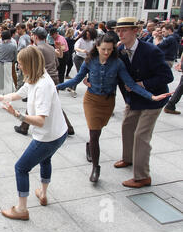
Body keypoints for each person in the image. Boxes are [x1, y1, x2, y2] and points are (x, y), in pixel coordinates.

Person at [57, 34, 170, 182]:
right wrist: (56, 87)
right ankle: (95, 168)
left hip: (108, 102)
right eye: (103, 49)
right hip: (91, 100)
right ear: (96, 47)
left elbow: (131, 84)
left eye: (109, 50)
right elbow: (76, 79)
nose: (106, 52)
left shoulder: (117, 63)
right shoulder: (89, 61)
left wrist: (151, 96)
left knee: (98, 130)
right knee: (94, 132)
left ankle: (90, 146)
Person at [0, 46, 68, 221]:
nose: (19, 67)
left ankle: (21, 209)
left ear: (29, 64)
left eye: (20, 64)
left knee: (21, 168)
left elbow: (40, 120)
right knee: (46, 159)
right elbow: (22, 92)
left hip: (48, 137)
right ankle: (43, 194)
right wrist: (1, 98)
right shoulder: (37, 76)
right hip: (58, 132)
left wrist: (17, 115)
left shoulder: (43, 85)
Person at [114, 17, 174, 188]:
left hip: (153, 99)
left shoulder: (151, 50)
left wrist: (143, 84)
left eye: (124, 30)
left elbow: (167, 76)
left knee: (141, 135)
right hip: (134, 99)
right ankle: (128, 158)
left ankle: (142, 177)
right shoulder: (120, 50)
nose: (120, 33)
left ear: (135, 31)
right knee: (127, 126)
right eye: (119, 30)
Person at [69, 28, 97, 97]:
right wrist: (82, 50)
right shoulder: (81, 40)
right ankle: (73, 89)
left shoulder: (92, 41)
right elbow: (76, 48)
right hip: (79, 58)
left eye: (90, 35)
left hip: (88, 58)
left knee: (91, 73)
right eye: (87, 34)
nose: (88, 36)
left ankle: (92, 89)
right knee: (80, 74)